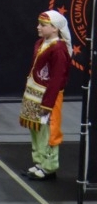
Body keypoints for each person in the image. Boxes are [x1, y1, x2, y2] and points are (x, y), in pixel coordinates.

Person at [22, 10, 72, 181]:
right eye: (39, 24)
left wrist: (47, 104)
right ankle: (39, 161)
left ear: (55, 28)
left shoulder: (58, 49)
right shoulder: (41, 43)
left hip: (48, 97)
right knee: (36, 128)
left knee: (48, 131)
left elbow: (57, 78)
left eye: (43, 25)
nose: (38, 27)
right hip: (35, 93)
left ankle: (49, 166)